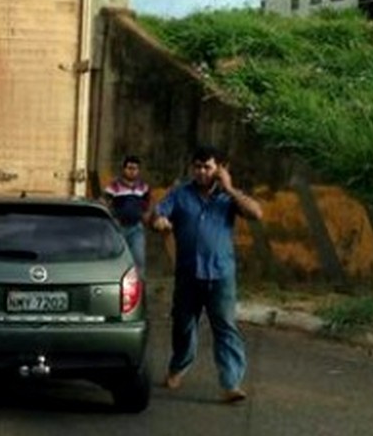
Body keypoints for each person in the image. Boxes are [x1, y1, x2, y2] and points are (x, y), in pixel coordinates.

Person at [150, 145, 263, 403]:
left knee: (225, 327)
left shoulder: (228, 198)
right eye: (198, 167)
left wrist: (230, 188)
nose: (202, 172)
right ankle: (178, 366)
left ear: (220, 169)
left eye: (208, 167)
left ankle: (231, 383)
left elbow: (256, 213)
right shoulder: (181, 194)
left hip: (220, 275)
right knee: (183, 325)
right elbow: (158, 214)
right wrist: (159, 221)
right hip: (189, 274)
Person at [102, 155, 151, 273]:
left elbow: (148, 203)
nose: (132, 172)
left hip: (136, 228)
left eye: (135, 169)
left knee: (138, 260)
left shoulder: (143, 187)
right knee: (116, 259)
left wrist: (146, 215)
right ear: (124, 169)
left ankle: (140, 289)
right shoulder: (113, 187)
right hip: (118, 228)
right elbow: (104, 203)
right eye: (129, 168)